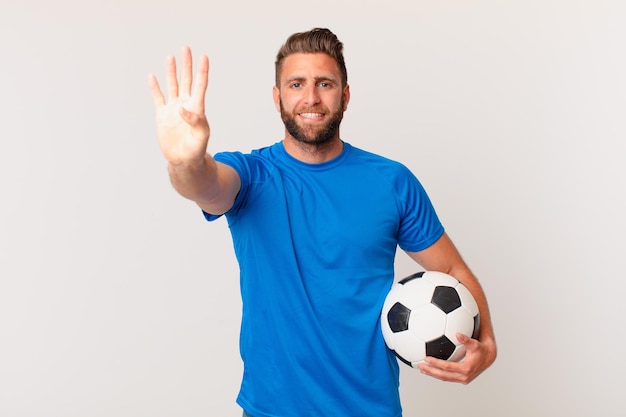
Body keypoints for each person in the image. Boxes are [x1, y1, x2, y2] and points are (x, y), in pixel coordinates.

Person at [148, 28, 496, 417]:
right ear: (277, 97)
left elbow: (450, 268)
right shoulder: (250, 175)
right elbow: (206, 186)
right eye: (296, 84)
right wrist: (186, 161)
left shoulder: (391, 181)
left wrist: (488, 342)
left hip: (370, 407)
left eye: (325, 84)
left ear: (345, 96)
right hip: (271, 409)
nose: (310, 97)